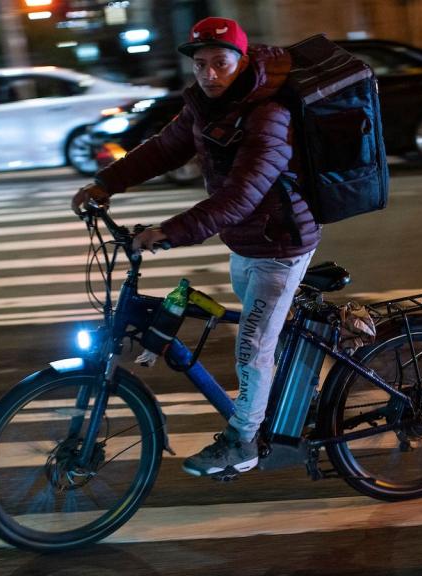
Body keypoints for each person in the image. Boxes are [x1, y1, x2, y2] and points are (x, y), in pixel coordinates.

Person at [71, 16, 320, 477]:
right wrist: (105, 183)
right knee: (260, 331)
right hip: (246, 242)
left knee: (251, 346)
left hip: (280, 244)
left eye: (220, 63)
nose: (208, 74)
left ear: (241, 61)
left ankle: (244, 442)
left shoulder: (268, 113)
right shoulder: (206, 107)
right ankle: (290, 403)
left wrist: (171, 231)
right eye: (201, 64)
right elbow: (164, 148)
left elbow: (242, 194)